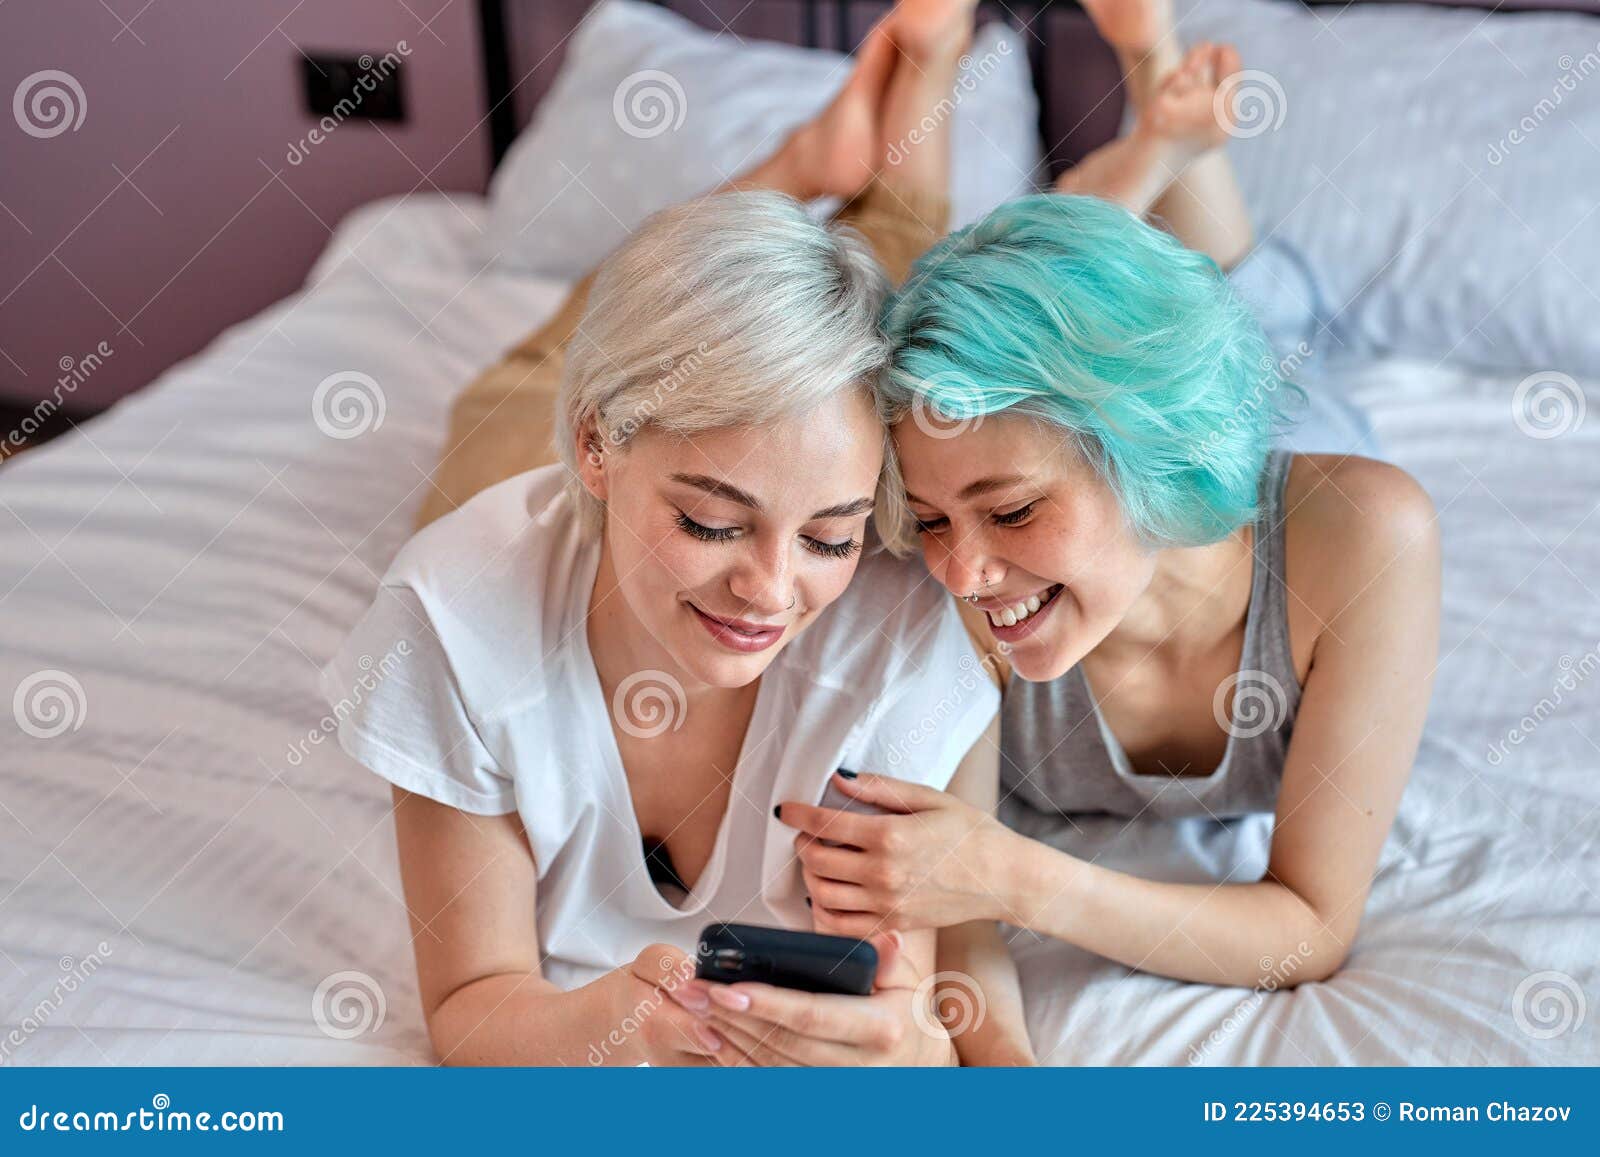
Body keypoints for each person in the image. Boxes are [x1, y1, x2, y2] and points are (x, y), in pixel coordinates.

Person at [325, 1, 1031, 1068]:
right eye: (709, 520)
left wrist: (912, 1054)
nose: (768, 590)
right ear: (597, 450)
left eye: (831, 539)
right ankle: (799, 164)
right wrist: (608, 1028)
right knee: (529, 374)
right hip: (525, 469)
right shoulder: (460, 611)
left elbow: (916, 992)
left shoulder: (902, 640)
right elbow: (470, 1003)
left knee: (883, 306)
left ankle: (904, 108)